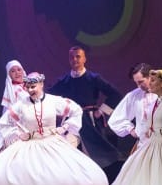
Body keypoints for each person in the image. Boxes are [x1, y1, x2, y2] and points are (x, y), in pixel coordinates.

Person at [0, 72, 109, 185]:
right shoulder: (21, 104)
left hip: (51, 142)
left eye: (33, 87)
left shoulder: (53, 101)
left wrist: (65, 127)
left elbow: (76, 110)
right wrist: (17, 134)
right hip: (30, 143)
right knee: (24, 175)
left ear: (41, 85)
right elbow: (5, 122)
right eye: (28, 87)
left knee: (52, 178)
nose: (30, 90)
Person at [47, 45, 124, 176]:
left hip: (90, 121)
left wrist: (101, 110)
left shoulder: (93, 78)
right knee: (70, 152)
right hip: (71, 122)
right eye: (72, 57)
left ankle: (98, 179)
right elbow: (48, 96)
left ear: (84, 59)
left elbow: (115, 94)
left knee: (96, 153)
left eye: (78, 56)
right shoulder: (63, 81)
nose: (75, 60)